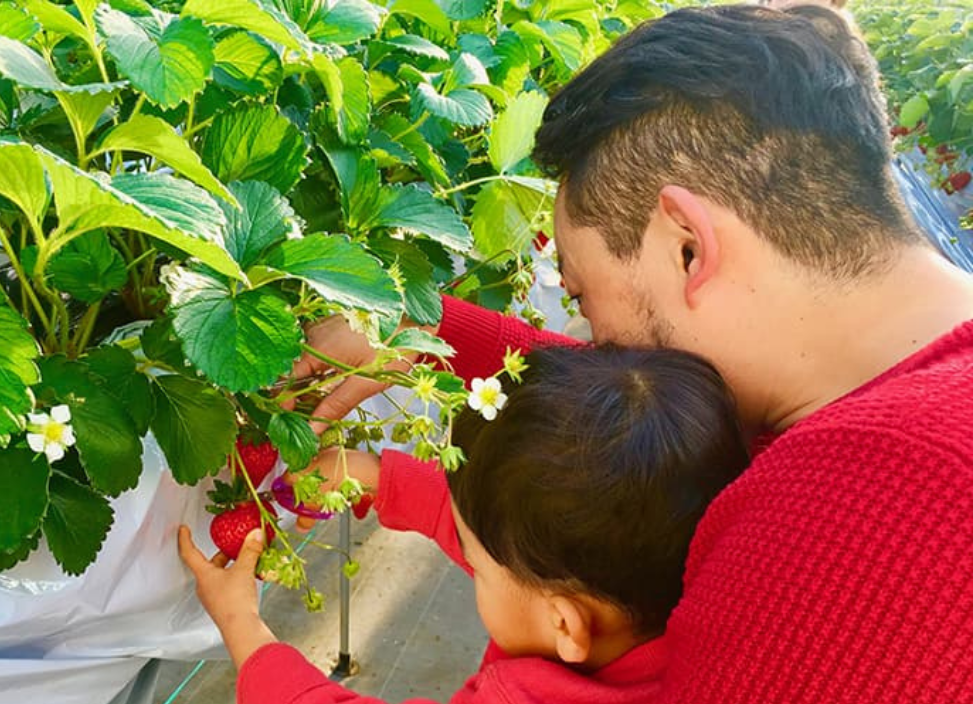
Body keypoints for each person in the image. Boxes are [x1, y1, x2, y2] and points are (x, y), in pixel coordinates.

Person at [286, 4, 973, 703]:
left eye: (582, 299)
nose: (593, 347)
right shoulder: (883, 400)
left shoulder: (849, 536)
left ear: (688, 246)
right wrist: (419, 329)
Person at [179, 344, 749, 703]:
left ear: (566, 625)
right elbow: (516, 539)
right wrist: (382, 478)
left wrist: (245, 633)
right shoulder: (697, 596)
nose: (466, 561)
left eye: (474, 569)